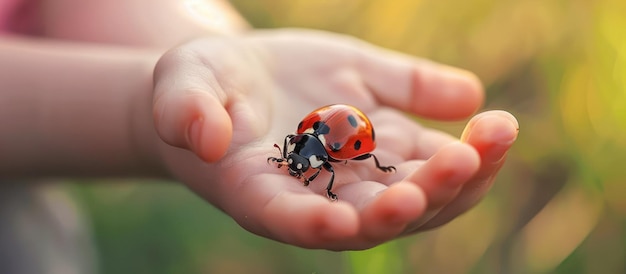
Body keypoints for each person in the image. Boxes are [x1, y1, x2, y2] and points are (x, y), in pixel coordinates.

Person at [0, 0, 518, 254]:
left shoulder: (323, 144)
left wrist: (211, 51)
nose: (303, 166)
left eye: (302, 161)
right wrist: (138, 109)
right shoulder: (322, 147)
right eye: (302, 162)